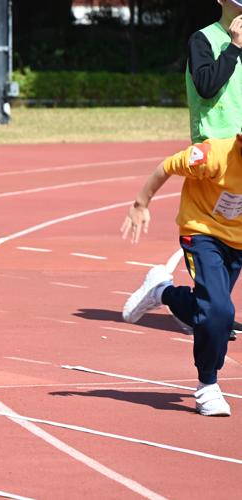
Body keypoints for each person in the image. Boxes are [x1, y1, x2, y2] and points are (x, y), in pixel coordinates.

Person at [120, 135, 242, 416]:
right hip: (202, 232)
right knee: (218, 311)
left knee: (213, 315)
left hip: (237, 242)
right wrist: (140, 204)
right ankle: (207, 386)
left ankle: (161, 291)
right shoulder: (212, 155)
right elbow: (167, 166)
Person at [180, 0, 242, 340]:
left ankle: (211, 310)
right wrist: (233, 47)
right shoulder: (203, 39)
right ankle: (200, 306)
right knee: (214, 234)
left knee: (237, 237)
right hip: (214, 153)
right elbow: (206, 85)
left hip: (241, 153)